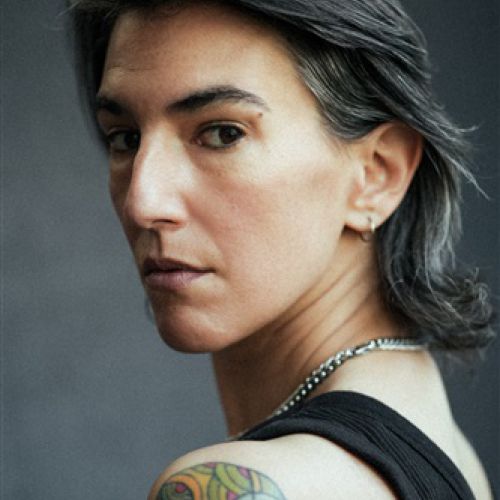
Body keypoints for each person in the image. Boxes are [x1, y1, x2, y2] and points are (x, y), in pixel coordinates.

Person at [69, 0, 495, 498]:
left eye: (223, 134)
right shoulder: (442, 445)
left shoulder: (236, 487)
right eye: (125, 138)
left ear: (376, 174)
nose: (143, 202)